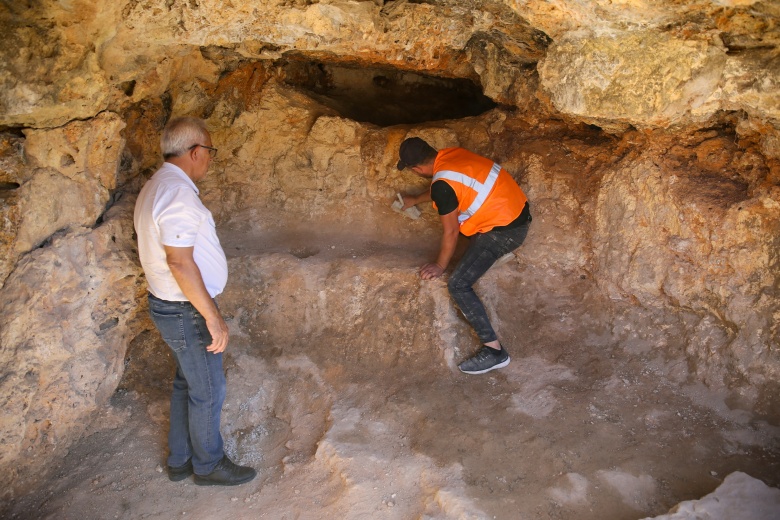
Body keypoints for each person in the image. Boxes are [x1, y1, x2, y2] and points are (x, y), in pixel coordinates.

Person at [134, 116, 256, 486]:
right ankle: (208, 465)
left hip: (173, 305)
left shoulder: (159, 185)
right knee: (209, 389)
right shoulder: (177, 194)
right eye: (210, 153)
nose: (210, 160)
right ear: (196, 151)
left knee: (187, 382)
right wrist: (212, 317)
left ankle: (180, 459)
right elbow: (179, 262)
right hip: (185, 309)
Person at [397, 137, 532, 375]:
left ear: (416, 169)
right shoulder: (451, 157)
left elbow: (450, 232)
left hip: (506, 232)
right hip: (516, 212)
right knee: (464, 214)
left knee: (458, 284)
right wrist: (415, 200)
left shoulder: (442, 184)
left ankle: (495, 352)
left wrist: (440, 265)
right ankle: (492, 254)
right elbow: (444, 190)